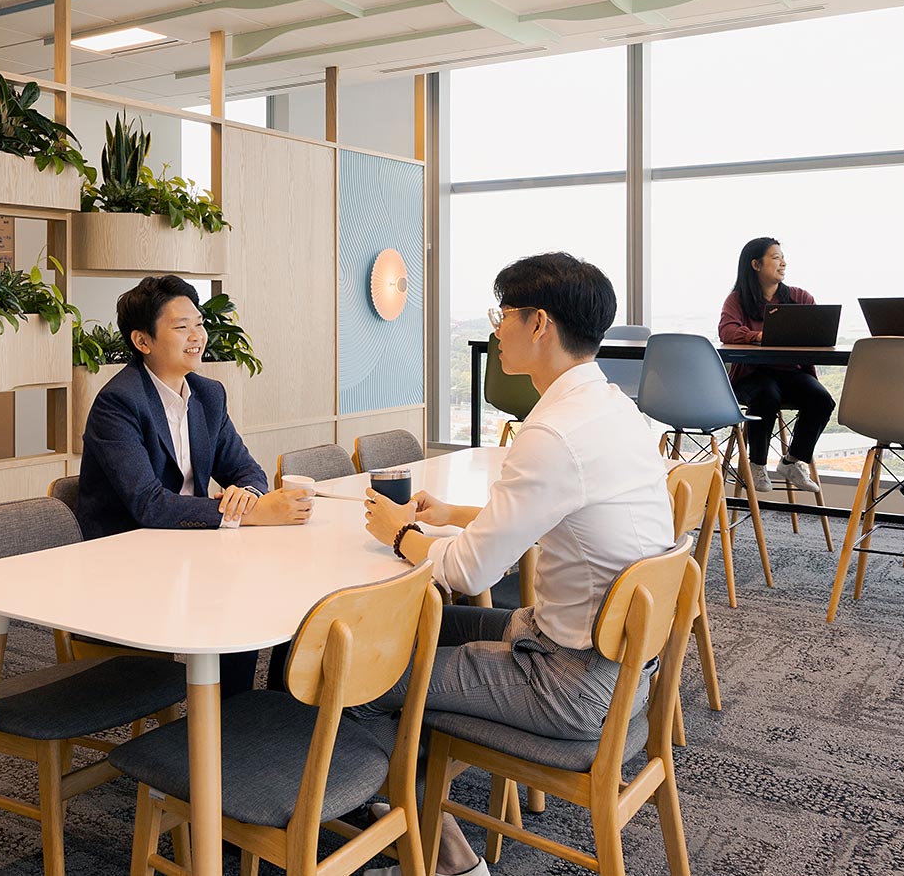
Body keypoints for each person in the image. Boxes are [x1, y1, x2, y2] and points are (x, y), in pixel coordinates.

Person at [359, 253, 676, 876]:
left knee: (362, 673)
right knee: (416, 633)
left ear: (539, 324)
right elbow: (556, 509)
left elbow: (469, 576)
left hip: (569, 682)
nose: (495, 328)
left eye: (502, 314)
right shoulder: (614, 409)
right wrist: (451, 515)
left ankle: (437, 851)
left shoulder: (552, 433)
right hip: (624, 669)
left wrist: (403, 534)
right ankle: (402, 810)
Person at [75, 274, 311, 695]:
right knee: (242, 595)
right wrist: (251, 514)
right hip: (130, 561)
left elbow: (248, 471)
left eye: (199, 324)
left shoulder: (207, 394)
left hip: (189, 548)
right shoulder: (119, 403)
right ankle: (232, 721)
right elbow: (148, 505)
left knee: (288, 587)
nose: (197, 336)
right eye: (181, 327)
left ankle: (270, 712)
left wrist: (248, 496)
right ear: (143, 341)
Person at [718, 237, 831, 494]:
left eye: (782, 257)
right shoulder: (737, 300)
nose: (783, 263)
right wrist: (756, 336)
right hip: (751, 376)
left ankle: (792, 461)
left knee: (822, 400)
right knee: (766, 395)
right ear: (756, 264)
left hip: (790, 374)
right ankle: (757, 464)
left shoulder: (800, 297)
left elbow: (817, 332)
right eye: (776, 257)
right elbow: (727, 331)